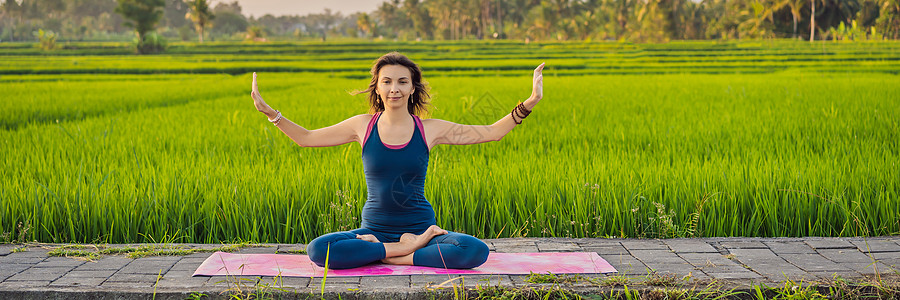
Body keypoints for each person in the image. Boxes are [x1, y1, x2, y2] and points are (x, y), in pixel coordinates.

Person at [250, 52, 545, 269]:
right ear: (377, 87)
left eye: (402, 82)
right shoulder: (362, 125)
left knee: (473, 251)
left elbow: (492, 132)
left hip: (421, 229)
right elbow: (307, 137)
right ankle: (405, 251)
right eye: (387, 81)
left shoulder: (429, 130)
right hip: (371, 231)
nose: (395, 88)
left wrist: (529, 102)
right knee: (318, 250)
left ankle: (395, 251)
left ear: (412, 87)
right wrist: (270, 113)